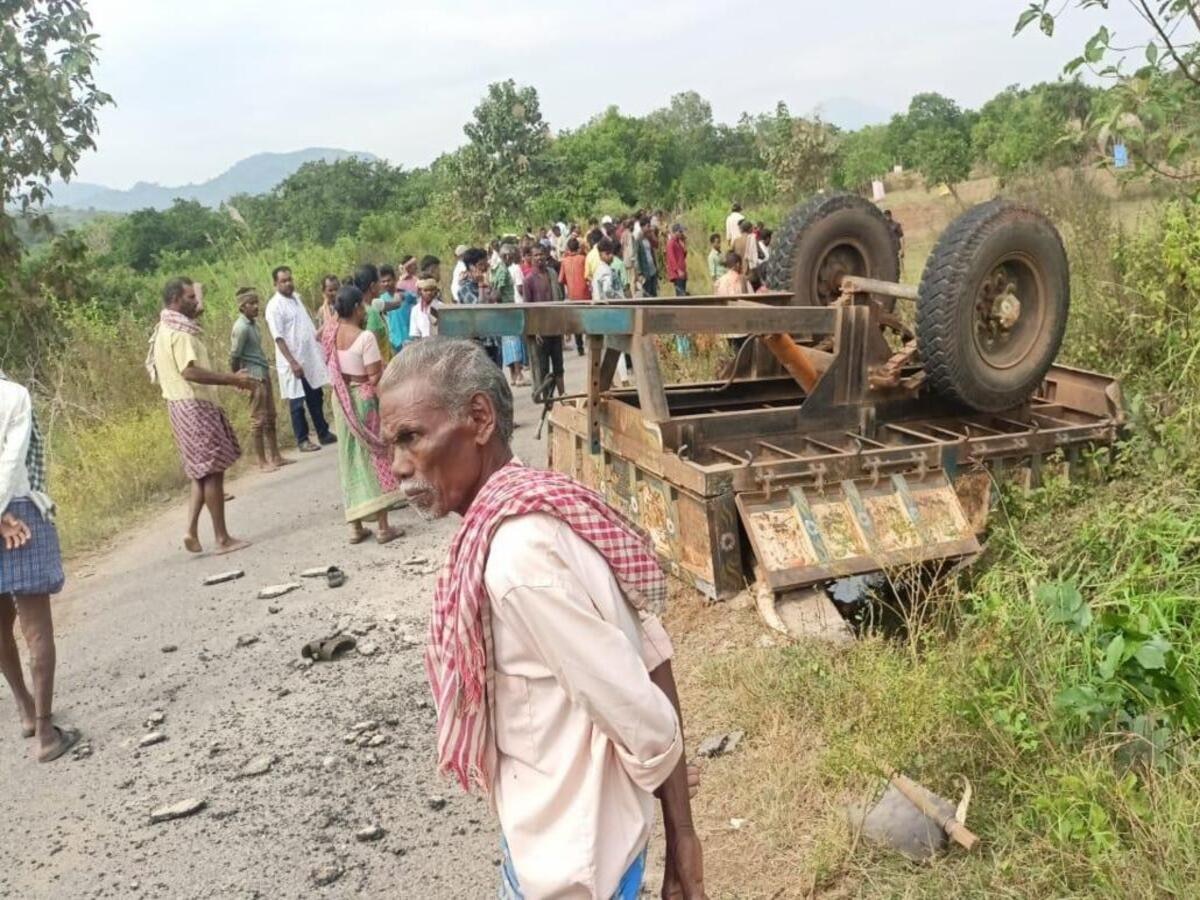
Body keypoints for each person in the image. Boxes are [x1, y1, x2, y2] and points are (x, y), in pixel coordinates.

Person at [378, 339, 706, 900]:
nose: (400, 468)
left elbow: (640, 713)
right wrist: (681, 835)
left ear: (479, 419)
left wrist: (683, 839)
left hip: (571, 864)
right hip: (568, 841)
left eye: (411, 438)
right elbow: (651, 652)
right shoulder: (537, 506)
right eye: (390, 446)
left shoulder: (517, 558)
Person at [0, 371, 79, 763]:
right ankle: (46, 734)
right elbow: (12, 463)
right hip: (18, 514)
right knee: (36, 629)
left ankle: (26, 711)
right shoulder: (13, 395)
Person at [151, 277, 255, 555]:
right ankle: (222, 538)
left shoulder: (166, 326)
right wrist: (233, 379)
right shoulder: (182, 334)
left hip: (178, 405)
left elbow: (197, 304)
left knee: (200, 472)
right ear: (175, 300)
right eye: (189, 298)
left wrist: (196, 290)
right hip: (195, 404)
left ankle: (191, 530)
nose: (196, 302)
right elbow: (191, 372)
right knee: (212, 472)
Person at [322, 285, 406, 545]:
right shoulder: (365, 337)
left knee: (348, 457)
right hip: (363, 398)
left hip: (341, 397)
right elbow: (374, 377)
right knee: (374, 454)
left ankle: (356, 526)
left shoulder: (330, 334)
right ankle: (382, 526)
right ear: (358, 307)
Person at [265, 266, 335, 453]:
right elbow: (278, 337)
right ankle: (302, 439)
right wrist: (292, 362)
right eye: (283, 281)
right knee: (297, 402)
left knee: (315, 395)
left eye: (290, 279)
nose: (288, 283)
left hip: (308, 357)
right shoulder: (274, 307)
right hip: (292, 361)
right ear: (275, 284)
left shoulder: (296, 298)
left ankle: (323, 432)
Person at [229, 288, 290, 472]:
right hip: (253, 376)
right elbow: (234, 356)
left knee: (270, 416)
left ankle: (275, 456)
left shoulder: (253, 324)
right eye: (252, 303)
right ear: (242, 307)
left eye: (257, 302)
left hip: (262, 373)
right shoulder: (241, 328)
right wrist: (238, 378)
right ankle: (262, 461)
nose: (256, 306)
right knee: (258, 420)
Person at [523, 247, 567, 396]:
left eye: (541, 254)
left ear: (546, 255)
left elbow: (560, 300)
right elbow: (527, 309)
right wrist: (534, 330)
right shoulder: (528, 280)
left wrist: (562, 326)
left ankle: (563, 396)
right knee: (543, 368)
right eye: (535, 255)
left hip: (555, 327)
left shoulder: (552, 274)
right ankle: (547, 400)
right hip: (540, 331)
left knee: (559, 366)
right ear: (531, 258)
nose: (539, 257)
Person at [491, 246, 527, 387]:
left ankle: (513, 374)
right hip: (507, 308)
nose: (512, 258)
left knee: (508, 342)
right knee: (514, 341)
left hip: (504, 309)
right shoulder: (502, 270)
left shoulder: (497, 269)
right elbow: (497, 292)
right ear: (506, 256)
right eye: (511, 256)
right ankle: (518, 374)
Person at [637, 218, 659, 297]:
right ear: (642, 227)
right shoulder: (638, 240)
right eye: (648, 226)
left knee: (654, 293)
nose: (649, 228)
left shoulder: (648, 238)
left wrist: (652, 234)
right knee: (648, 294)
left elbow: (656, 245)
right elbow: (637, 258)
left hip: (652, 269)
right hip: (645, 272)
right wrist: (639, 273)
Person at [666, 224, 689, 296]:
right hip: (677, 274)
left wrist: (684, 243)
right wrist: (678, 271)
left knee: (683, 294)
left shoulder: (678, 242)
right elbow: (671, 258)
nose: (682, 233)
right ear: (675, 232)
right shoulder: (671, 243)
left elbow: (683, 255)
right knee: (680, 295)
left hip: (682, 272)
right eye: (680, 231)